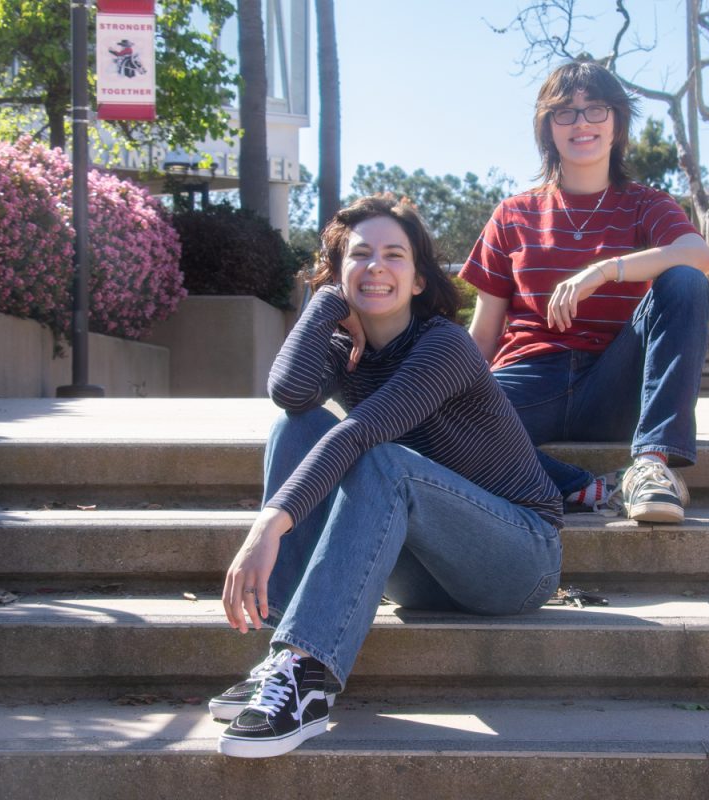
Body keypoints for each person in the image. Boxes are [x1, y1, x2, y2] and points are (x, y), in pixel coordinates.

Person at [212, 194, 563, 759]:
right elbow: (289, 393)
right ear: (339, 269)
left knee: (381, 456)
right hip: (425, 565)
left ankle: (307, 674)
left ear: (420, 279)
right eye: (360, 255)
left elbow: (357, 436)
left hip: (518, 558)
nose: (376, 266)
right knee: (294, 427)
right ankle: (280, 656)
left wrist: (266, 527)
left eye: (395, 255)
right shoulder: (343, 348)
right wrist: (327, 302)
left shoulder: (443, 346)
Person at [460, 59, 709, 524]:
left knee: (685, 280)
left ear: (617, 123)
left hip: (614, 385)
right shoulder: (513, 214)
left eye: (595, 109)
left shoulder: (646, 204)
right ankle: (589, 488)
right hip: (531, 379)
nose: (581, 123)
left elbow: (697, 254)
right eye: (566, 112)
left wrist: (604, 270)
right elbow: (482, 336)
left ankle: (652, 466)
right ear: (548, 129)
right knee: (442, 420)